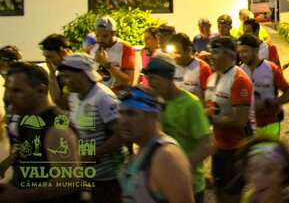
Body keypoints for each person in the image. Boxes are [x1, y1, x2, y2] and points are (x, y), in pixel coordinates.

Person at [0, 63, 81, 202]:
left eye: (17, 90)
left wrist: (20, 196)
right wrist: (8, 162)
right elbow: (31, 147)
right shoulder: (26, 118)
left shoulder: (56, 129)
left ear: (41, 90)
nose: (9, 97)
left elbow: (69, 181)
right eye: (7, 89)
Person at [142, 53, 214, 203]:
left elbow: (206, 144)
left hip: (189, 184)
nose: (151, 83)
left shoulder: (190, 104)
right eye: (149, 79)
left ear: (169, 78)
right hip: (162, 184)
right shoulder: (155, 104)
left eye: (155, 79)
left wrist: (181, 169)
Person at [59, 53, 125, 202]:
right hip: (86, 176)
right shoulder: (74, 96)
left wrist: (92, 154)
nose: (63, 81)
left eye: (67, 76)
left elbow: (121, 135)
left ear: (82, 75)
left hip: (107, 179)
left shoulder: (103, 97)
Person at [118, 86, 195, 203]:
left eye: (131, 113)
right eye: (121, 114)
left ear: (153, 115)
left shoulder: (166, 156)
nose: (123, 121)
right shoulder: (143, 149)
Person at [204, 36, 254, 203]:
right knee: (217, 191)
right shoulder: (212, 77)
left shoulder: (239, 80)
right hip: (219, 146)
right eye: (211, 52)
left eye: (216, 52)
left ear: (231, 56)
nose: (211, 56)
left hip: (236, 148)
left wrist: (209, 118)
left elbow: (239, 120)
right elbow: (211, 108)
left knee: (231, 196)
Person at [238, 33, 289, 139]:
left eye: (245, 51)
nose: (241, 55)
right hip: (249, 126)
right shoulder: (239, 71)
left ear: (256, 50)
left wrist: (266, 103)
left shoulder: (271, 69)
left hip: (270, 123)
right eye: (239, 52)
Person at [238, 136, 289, 203]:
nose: (256, 177)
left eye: (267, 171)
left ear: (284, 174)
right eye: (252, 170)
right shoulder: (249, 198)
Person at [90, 16, 135, 94]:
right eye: (97, 36)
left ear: (114, 33)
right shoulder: (92, 49)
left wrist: (106, 64)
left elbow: (129, 82)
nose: (100, 39)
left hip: (117, 96)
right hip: (98, 95)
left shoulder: (125, 48)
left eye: (105, 36)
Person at [167, 33, 212, 100]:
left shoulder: (203, 68)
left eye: (178, 52)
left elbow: (208, 99)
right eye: (172, 53)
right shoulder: (171, 67)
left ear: (189, 50)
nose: (174, 57)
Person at [39, 33, 72, 108]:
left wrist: (52, 73)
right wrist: (52, 72)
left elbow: (61, 103)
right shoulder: (61, 72)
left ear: (63, 53)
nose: (47, 61)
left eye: (50, 57)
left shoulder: (73, 72)